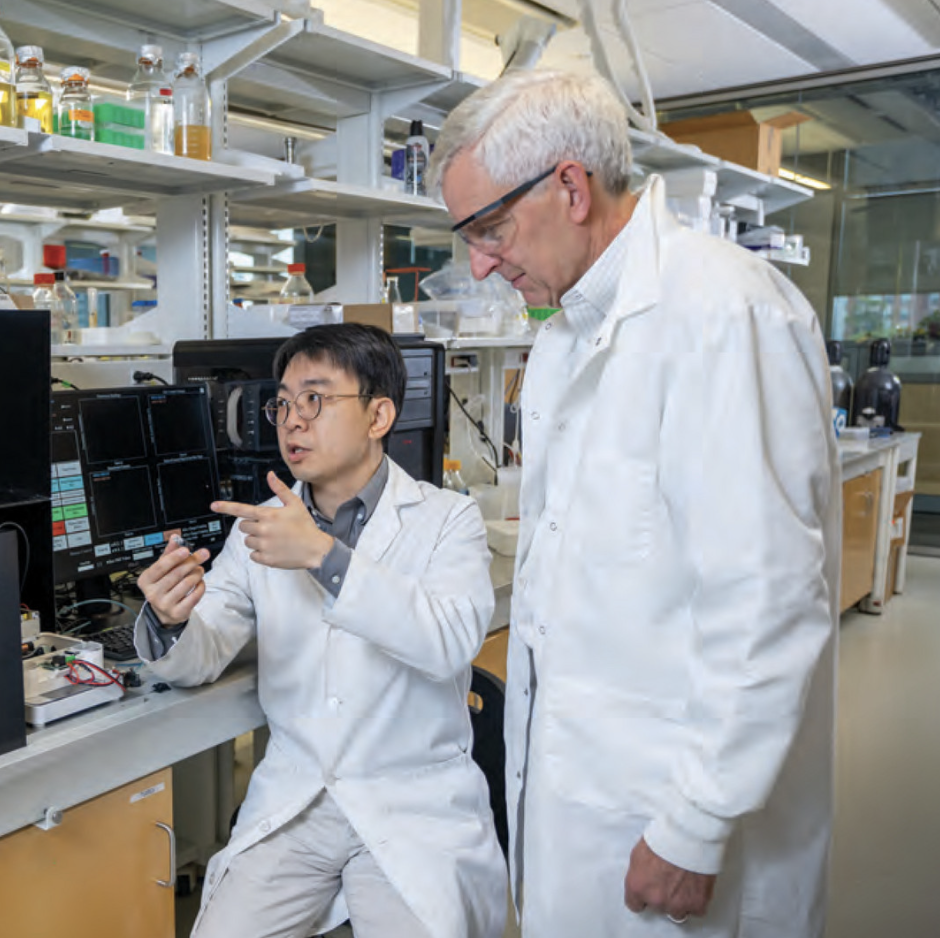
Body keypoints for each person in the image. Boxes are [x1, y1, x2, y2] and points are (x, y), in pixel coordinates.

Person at [430, 70, 841, 938]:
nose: (479, 262)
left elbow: (767, 601)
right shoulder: (565, 338)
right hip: (584, 792)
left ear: (570, 187)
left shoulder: (724, 315)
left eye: (490, 227)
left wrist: (694, 824)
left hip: (674, 811)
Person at [135, 323, 506, 938]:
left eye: (316, 399)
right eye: (282, 402)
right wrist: (172, 620)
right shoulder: (261, 528)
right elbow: (203, 651)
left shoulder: (446, 519)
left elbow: (449, 640)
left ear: (378, 414)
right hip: (298, 800)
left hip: (411, 804)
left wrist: (326, 558)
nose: (291, 421)